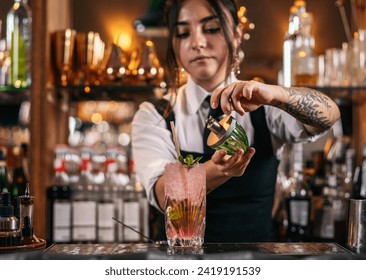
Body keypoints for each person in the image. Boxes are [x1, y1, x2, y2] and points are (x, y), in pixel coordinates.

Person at [131, 0, 340, 242]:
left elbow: (329, 115)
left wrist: (277, 95)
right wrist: (214, 170)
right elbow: (160, 193)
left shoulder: (265, 105)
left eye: (211, 29)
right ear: (174, 43)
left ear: (237, 34)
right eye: (183, 33)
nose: (197, 42)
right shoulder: (154, 114)